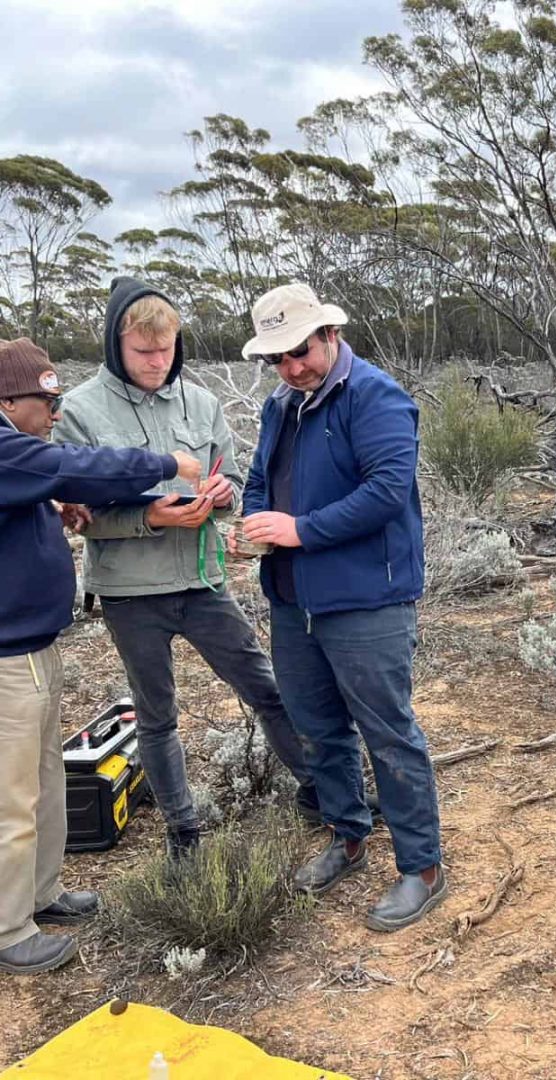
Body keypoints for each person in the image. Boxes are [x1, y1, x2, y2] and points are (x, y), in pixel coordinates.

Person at [53, 279, 317, 859]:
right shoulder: (79, 411)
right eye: (143, 350)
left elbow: (230, 485)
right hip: (129, 592)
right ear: (114, 344)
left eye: (166, 348)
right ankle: (184, 832)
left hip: (203, 581)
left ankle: (318, 790)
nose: (156, 361)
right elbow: (83, 518)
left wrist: (220, 497)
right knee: (157, 714)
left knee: (265, 689)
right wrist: (149, 517)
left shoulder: (202, 403)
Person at [238, 283, 445, 931]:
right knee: (317, 727)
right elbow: (257, 480)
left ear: (329, 335)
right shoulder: (282, 404)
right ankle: (346, 835)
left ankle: (422, 866)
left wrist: (298, 531)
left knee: (387, 730)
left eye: (299, 351)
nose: (291, 367)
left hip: (366, 598)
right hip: (294, 598)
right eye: (277, 358)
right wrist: (253, 521)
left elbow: (387, 490)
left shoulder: (376, 396)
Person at [0, 337, 202, 974]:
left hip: (35, 643)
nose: (55, 411)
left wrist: (50, 505)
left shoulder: (15, 460)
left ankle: (41, 894)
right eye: (46, 400)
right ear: (8, 400)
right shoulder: (6, 449)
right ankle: (8, 929)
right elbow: (76, 467)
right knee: (12, 798)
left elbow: (49, 483)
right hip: (7, 658)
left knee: (47, 781)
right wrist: (163, 461)